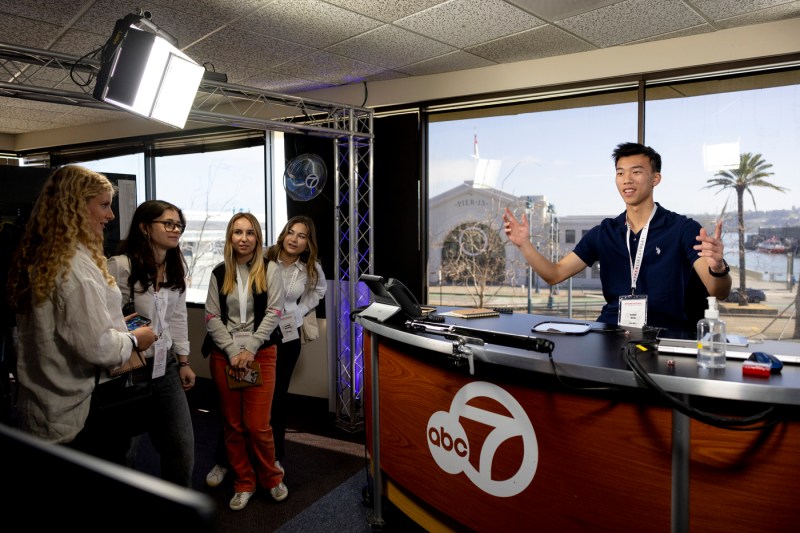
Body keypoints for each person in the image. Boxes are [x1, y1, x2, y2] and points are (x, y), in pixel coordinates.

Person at [6, 165, 157, 460]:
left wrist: (115, 325)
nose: (110, 216)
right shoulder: (76, 269)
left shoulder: (44, 258)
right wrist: (135, 339)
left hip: (44, 404)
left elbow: (71, 328)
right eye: (103, 205)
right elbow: (98, 348)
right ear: (75, 207)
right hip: (77, 413)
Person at [503, 142, 732, 333]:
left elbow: (718, 291)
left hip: (665, 337)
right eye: (620, 172)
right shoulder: (605, 232)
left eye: (637, 172)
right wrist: (524, 245)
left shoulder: (683, 228)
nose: (627, 179)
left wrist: (718, 267)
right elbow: (554, 274)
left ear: (655, 179)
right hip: (610, 333)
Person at [107, 200, 195, 487]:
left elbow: (178, 317)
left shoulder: (174, 265)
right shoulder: (121, 266)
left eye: (179, 225)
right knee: (123, 451)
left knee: (181, 447)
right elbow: (104, 319)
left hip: (165, 364)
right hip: (129, 367)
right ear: (145, 228)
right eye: (168, 223)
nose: (175, 229)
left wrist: (184, 361)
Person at [204, 212, 287, 511]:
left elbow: (274, 312)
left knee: (257, 425)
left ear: (257, 238)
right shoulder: (217, 272)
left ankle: (271, 477)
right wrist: (231, 351)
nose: (243, 238)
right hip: (224, 354)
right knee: (233, 424)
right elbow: (212, 316)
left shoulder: (270, 269)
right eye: (237, 232)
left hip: (260, 353)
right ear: (230, 237)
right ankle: (244, 482)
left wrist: (250, 348)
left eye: (249, 232)